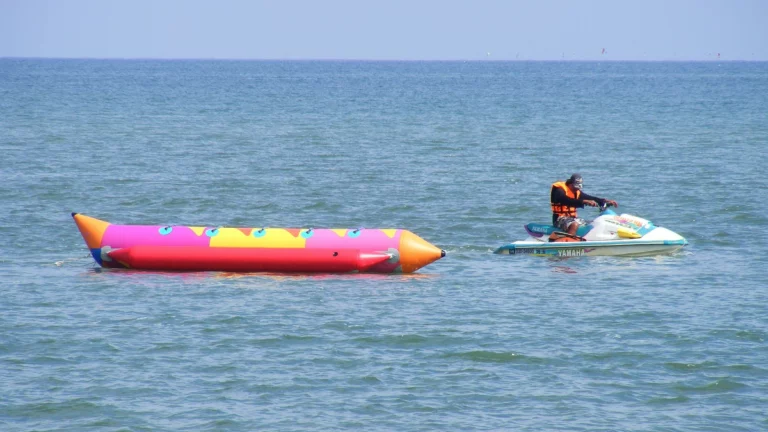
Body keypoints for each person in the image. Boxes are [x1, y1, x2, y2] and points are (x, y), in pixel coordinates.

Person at [551, 173, 618, 236]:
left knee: (593, 224)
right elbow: (565, 200)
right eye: (575, 188)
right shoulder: (559, 190)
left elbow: (590, 198)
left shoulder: (576, 191)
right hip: (559, 219)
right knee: (574, 225)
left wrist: (604, 201)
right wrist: (583, 202)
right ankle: (568, 245)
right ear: (570, 184)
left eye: (578, 188)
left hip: (572, 218)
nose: (576, 190)